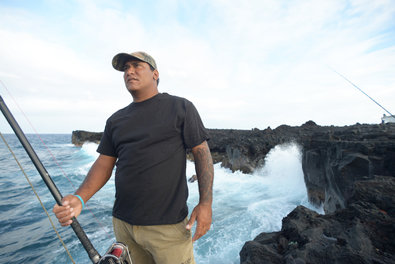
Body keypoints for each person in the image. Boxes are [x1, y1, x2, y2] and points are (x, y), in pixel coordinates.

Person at [53, 51, 214, 264]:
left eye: (137, 66)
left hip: (168, 227)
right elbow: (104, 163)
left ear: (155, 74)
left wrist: (205, 204)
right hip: (123, 225)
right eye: (125, 68)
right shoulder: (116, 120)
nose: (129, 71)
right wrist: (80, 198)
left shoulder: (180, 107)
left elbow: (202, 154)